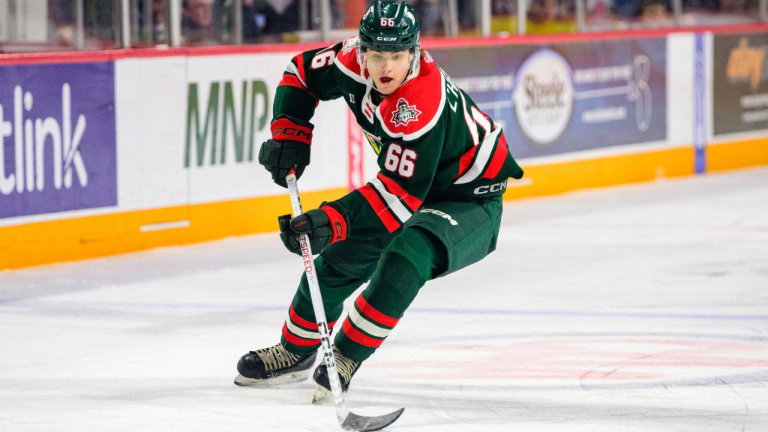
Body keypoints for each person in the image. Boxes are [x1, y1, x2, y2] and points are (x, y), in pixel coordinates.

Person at [234, 1, 523, 395]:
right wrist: (291, 133)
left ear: (415, 52)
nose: (386, 67)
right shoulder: (349, 60)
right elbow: (300, 74)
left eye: (397, 56)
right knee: (339, 261)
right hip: (411, 186)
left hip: (470, 198)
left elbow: (400, 197)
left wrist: (332, 220)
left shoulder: (420, 101)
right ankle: (294, 351)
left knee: (407, 256)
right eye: (377, 55)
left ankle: (346, 355)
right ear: (362, 49)